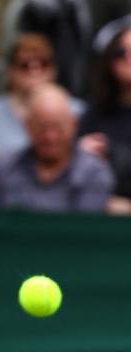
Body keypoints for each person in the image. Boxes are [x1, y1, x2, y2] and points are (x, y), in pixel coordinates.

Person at [0, 83, 114, 212]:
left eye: (58, 128)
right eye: (42, 128)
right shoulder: (3, 168)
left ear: (73, 125)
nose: (50, 137)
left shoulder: (93, 172)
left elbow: (86, 229)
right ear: (27, 126)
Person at [0, 32, 86, 156]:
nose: (35, 71)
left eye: (43, 63)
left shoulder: (78, 111)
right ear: (10, 71)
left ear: (54, 69)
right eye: (25, 65)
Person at [79, 16, 131, 214]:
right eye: (121, 52)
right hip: (100, 209)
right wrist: (79, 150)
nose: (128, 58)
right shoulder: (95, 111)